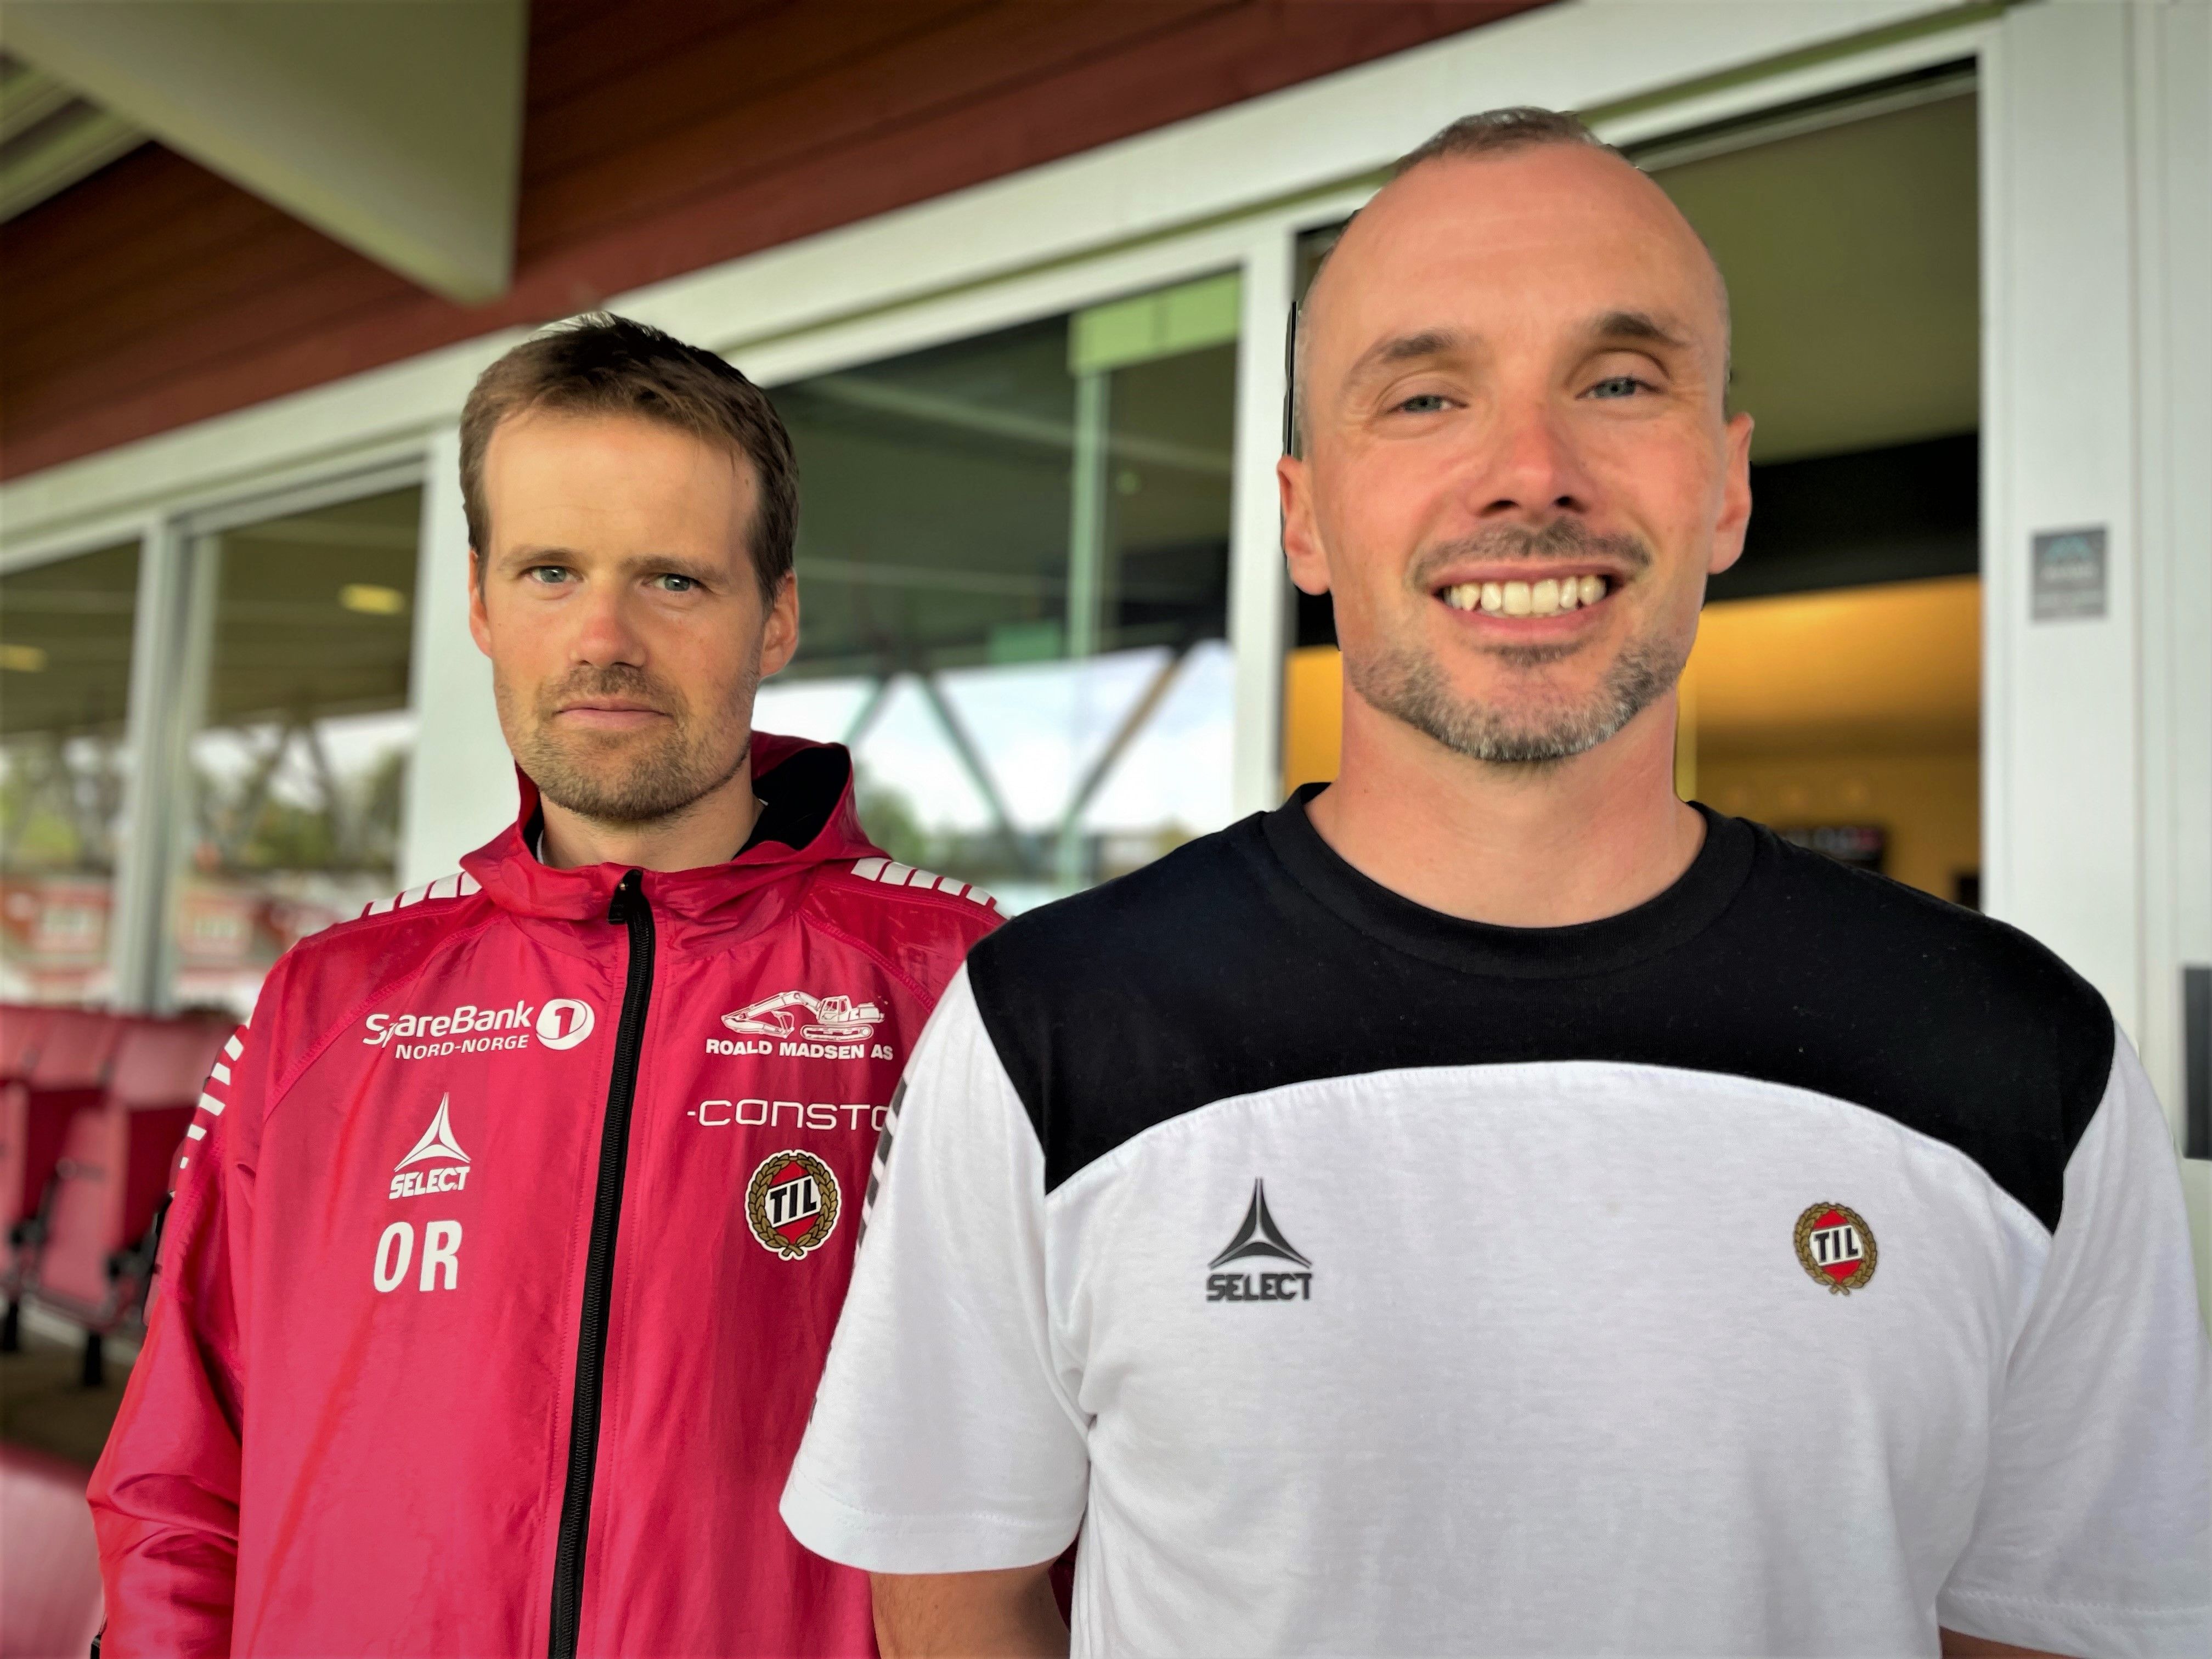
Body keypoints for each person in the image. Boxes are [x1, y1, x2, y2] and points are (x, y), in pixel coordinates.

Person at [778, 111, 2211, 1658]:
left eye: (1620, 382)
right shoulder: (1048, 1027)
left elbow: (2055, 1628)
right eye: (1425, 396)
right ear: (1304, 515)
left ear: (1727, 486)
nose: (1531, 472)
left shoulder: (2022, 1060)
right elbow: (961, 1586)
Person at [89, 314, 1001, 1657]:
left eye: (674, 580)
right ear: (480, 601)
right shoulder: (326, 1006)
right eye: (552, 571)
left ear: (777, 617)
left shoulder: (965, 991)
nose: (602, 637)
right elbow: (179, 1481)